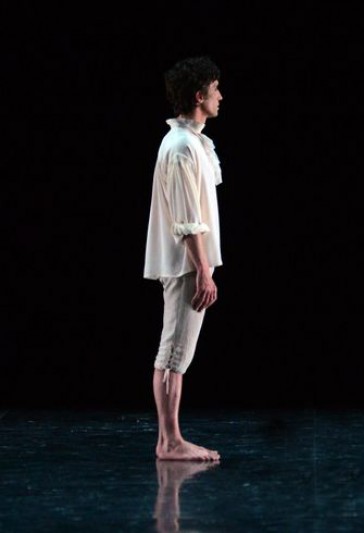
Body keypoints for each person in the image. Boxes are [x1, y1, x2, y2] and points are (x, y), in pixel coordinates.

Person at [144, 56, 224, 461]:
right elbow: (186, 219)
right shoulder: (179, 147)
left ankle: (169, 439)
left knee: (177, 353)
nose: (221, 97)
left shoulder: (190, 142)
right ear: (199, 96)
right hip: (186, 265)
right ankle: (170, 442)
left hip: (191, 263)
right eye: (215, 90)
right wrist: (204, 270)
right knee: (173, 353)